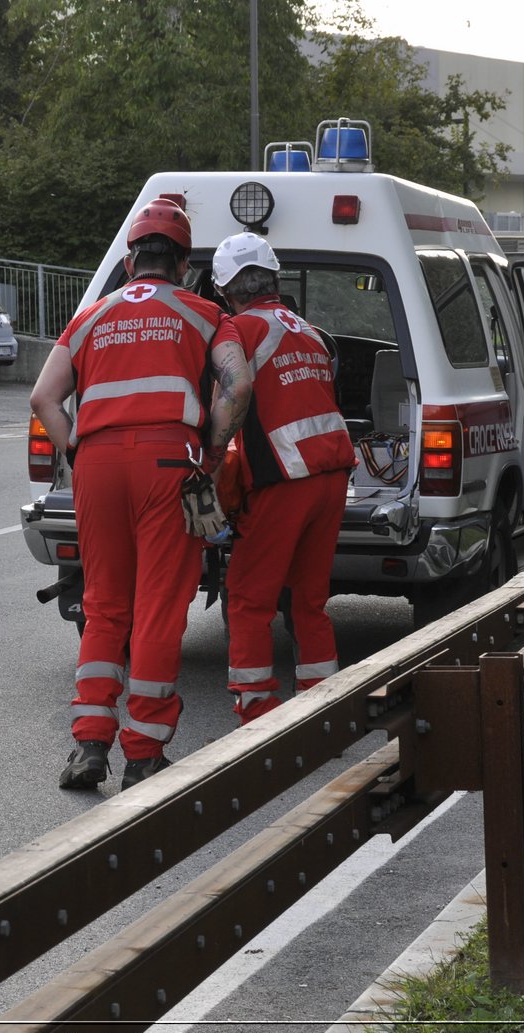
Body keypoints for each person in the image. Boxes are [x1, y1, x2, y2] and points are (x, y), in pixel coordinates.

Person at [30, 198, 252, 791]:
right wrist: (210, 451)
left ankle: (88, 747)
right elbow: (238, 381)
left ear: (131, 261)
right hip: (167, 464)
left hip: (97, 464)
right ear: (182, 264)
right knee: (158, 605)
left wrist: (77, 451)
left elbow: (43, 399)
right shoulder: (205, 313)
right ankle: (145, 754)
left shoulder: (89, 319)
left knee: (105, 605)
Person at [211, 233, 356, 723]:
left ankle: (258, 716)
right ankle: (324, 708)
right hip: (332, 472)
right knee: (309, 600)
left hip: (284, 476)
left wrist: (211, 465)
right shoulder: (309, 330)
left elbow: (231, 402)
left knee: (249, 598)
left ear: (225, 290)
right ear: (274, 279)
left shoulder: (235, 331)